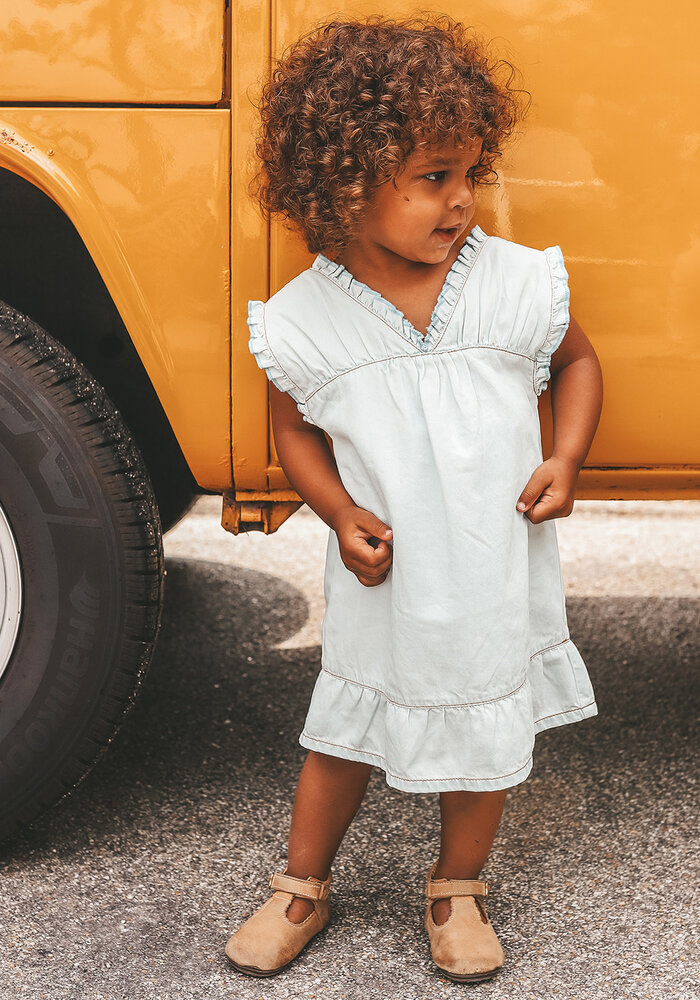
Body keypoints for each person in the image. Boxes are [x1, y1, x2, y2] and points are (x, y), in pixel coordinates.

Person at [225, 13, 603, 983]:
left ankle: (456, 888)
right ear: (345, 183)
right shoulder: (308, 318)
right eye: (434, 178)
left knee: (484, 736)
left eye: (470, 174)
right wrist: (335, 510)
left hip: (485, 571)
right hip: (384, 574)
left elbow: (577, 360)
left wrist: (565, 455)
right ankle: (301, 883)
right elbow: (293, 432)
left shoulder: (514, 285)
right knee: (344, 730)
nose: (462, 202)